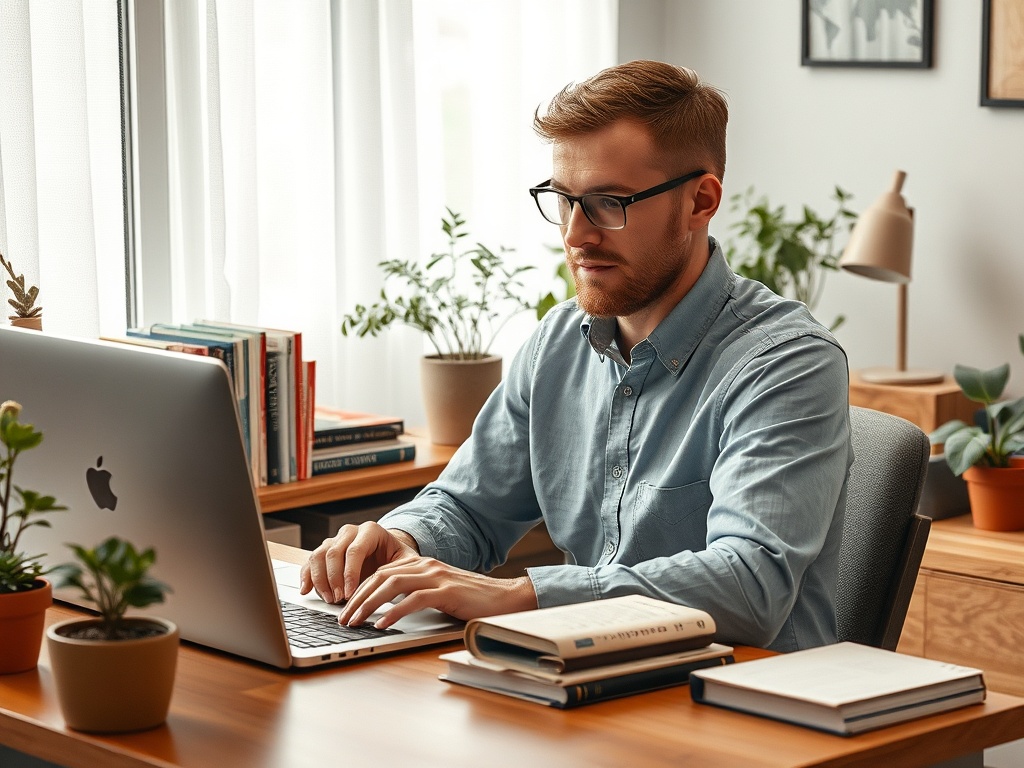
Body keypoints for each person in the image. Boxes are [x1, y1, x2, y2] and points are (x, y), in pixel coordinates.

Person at [300, 60, 852, 652]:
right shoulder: (559, 343)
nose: (575, 235)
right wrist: (404, 540)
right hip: (589, 687)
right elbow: (469, 506)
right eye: (562, 200)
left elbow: (749, 587)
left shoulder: (787, 363)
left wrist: (523, 597)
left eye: (609, 203)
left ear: (700, 201)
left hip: (748, 708)